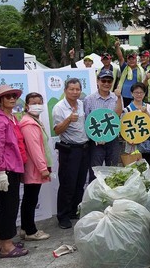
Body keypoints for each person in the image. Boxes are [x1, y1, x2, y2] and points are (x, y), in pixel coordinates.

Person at [0, 85, 29, 258]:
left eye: (14, 96)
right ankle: (7, 247)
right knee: (9, 207)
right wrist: (0, 171)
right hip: (4, 169)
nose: (12, 98)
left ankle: (1, 241)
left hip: (12, 167)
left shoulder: (10, 117)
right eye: (8, 96)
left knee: (6, 206)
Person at [52, 78, 89, 230]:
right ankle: (63, 216)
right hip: (69, 149)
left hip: (84, 148)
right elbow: (57, 130)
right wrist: (68, 119)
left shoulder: (82, 103)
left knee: (80, 182)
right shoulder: (59, 107)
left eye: (77, 89)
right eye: (71, 89)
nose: (75, 92)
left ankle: (74, 211)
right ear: (65, 90)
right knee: (68, 184)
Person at [18, 92, 52, 241]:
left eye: (39, 102)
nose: (37, 106)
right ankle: (31, 231)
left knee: (29, 198)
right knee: (30, 199)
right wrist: (43, 168)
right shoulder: (29, 123)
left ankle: (25, 228)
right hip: (34, 168)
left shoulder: (33, 120)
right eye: (33, 103)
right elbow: (34, 148)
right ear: (26, 106)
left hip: (34, 167)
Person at [83, 70, 122, 182]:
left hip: (113, 139)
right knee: (95, 170)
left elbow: (118, 115)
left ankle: (110, 195)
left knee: (112, 169)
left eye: (109, 81)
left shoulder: (116, 97)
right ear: (98, 81)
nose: (106, 83)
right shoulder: (89, 99)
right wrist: (95, 138)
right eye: (103, 80)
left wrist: (119, 97)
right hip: (96, 142)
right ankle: (94, 195)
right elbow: (87, 121)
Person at [122, 83, 150, 165]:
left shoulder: (148, 107)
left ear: (144, 94)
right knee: (133, 168)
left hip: (147, 142)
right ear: (132, 93)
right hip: (133, 143)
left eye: (141, 92)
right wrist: (127, 139)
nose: (139, 94)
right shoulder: (127, 110)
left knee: (146, 166)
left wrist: (146, 112)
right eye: (136, 92)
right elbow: (123, 127)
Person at [115, 40, 145, 107]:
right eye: (129, 59)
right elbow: (120, 58)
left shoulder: (141, 69)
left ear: (136, 60)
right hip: (123, 96)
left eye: (133, 59)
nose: (131, 61)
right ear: (127, 60)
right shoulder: (124, 67)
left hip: (136, 96)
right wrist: (117, 46)